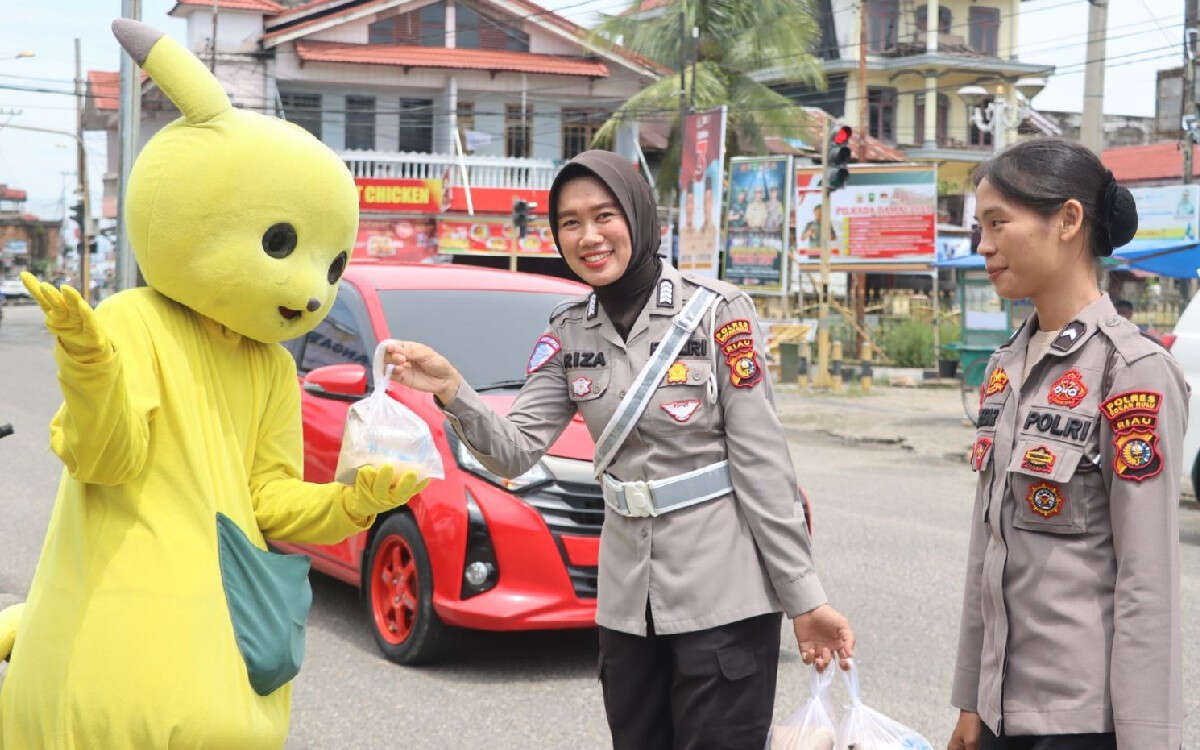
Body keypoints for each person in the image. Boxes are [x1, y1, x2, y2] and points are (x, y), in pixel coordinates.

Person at [386, 150, 854, 750]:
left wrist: (804, 599)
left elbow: (763, 466)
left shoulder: (716, 313)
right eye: (570, 223)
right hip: (628, 604)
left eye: (604, 215)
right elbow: (516, 451)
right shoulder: (567, 328)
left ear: (638, 215)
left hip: (725, 597)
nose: (589, 236)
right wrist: (452, 389)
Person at [949, 138, 1185, 750]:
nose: (984, 247)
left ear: (1069, 221)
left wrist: (1147, 740)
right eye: (980, 227)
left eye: (999, 223)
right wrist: (972, 702)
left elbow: (1147, 581)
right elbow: (988, 552)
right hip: (1002, 714)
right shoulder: (1006, 366)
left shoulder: (1131, 371)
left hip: (1084, 722)